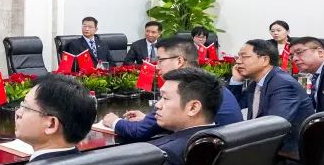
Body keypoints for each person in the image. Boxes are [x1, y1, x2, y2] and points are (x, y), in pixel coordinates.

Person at [101, 36, 243, 141]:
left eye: (161, 60)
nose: (157, 66)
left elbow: (139, 132)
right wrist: (147, 118)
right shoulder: (205, 81)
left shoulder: (185, 87)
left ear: (179, 61)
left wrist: (114, 121)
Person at [229, 39, 312, 156]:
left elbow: (273, 126)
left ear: (265, 60)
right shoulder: (255, 84)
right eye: (238, 57)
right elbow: (234, 108)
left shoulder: (283, 84)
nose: (238, 61)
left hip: (287, 156)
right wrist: (236, 81)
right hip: (264, 149)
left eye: (244, 57)